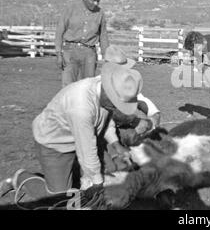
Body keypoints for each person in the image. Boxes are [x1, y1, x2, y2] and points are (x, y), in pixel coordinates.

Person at [0, 63, 143, 202]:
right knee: (60, 198)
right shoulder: (80, 106)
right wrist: (97, 182)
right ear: (108, 90)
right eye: (116, 103)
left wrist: (115, 143)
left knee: (104, 174)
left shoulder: (105, 91)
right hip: (53, 143)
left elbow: (106, 119)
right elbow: (86, 147)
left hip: (82, 137)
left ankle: (74, 172)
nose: (116, 107)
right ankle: (19, 178)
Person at [101, 46, 161, 172]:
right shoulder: (99, 87)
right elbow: (105, 124)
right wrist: (136, 122)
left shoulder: (123, 83)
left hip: (115, 130)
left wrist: (153, 117)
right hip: (99, 134)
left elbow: (143, 101)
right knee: (113, 167)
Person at [54, 0, 109, 87]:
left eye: (98, 1)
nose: (96, 3)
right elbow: (59, 31)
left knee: (87, 87)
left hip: (89, 54)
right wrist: (58, 54)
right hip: (70, 52)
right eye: (93, 0)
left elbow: (103, 36)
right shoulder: (70, 9)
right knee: (68, 87)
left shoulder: (100, 13)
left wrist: (107, 57)